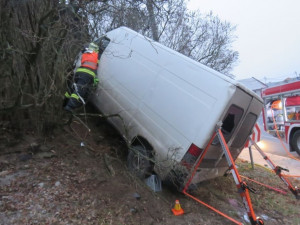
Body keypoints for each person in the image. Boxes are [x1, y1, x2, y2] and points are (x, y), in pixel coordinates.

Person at [64, 42, 100, 112]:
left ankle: (64, 102)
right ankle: (69, 107)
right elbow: (95, 67)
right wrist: (95, 78)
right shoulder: (96, 55)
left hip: (79, 72)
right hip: (87, 74)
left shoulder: (86, 53)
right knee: (79, 91)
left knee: (73, 88)